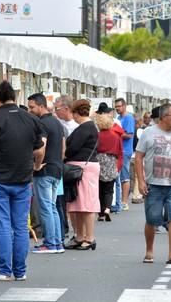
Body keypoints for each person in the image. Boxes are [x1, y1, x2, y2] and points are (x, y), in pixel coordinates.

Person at [0, 81, 45, 281]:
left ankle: (4, 270)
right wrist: (34, 164)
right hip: (23, 178)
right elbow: (39, 146)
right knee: (20, 225)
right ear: (15, 97)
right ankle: (20, 271)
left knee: (2, 224)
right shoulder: (30, 119)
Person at [135, 103, 171, 265]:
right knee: (152, 219)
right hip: (153, 184)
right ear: (163, 117)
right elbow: (139, 157)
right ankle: (149, 250)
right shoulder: (148, 133)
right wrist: (141, 181)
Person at [27, 93, 66, 254]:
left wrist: (36, 165)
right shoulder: (57, 123)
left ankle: (50, 243)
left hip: (44, 170)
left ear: (41, 106)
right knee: (52, 207)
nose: (30, 110)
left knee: (45, 208)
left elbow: (41, 148)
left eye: (32, 107)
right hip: (57, 168)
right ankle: (57, 242)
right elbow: (63, 148)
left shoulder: (41, 124)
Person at [64, 99, 100, 250]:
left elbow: (72, 148)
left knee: (86, 204)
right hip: (83, 167)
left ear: (77, 113)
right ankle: (80, 236)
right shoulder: (89, 127)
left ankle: (89, 237)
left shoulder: (85, 128)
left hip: (83, 167)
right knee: (78, 204)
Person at [93, 112, 123, 222]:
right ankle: (107, 208)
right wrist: (118, 165)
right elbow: (120, 151)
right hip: (111, 161)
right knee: (109, 189)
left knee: (99, 189)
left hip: (99, 161)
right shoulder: (116, 136)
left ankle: (101, 212)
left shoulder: (97, 135)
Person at [114, 98, 135, 212]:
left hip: (125, 150)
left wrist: (115, 135)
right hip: (118, 150)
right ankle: (119, 200)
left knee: (124, 176)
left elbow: (129, 134)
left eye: (119, 106)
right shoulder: (118, 118)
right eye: (116, 106)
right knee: (119, 176)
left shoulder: (128, 118)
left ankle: (125, 201)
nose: (117, 108)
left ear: (124, 106)